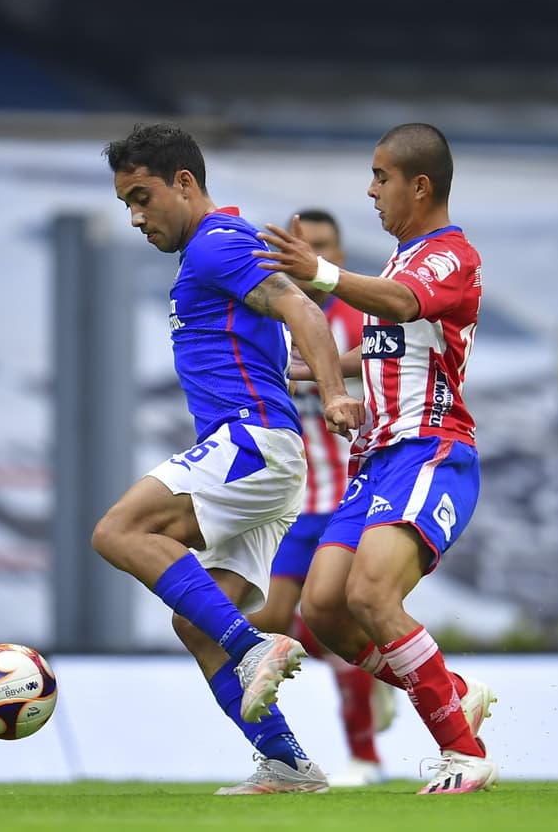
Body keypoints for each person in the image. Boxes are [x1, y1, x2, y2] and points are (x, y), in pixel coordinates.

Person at [93, 123, 366, 795]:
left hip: (250, 446)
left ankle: (256, 647)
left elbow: (302, 307)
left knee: (119, 532)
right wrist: (300, 371)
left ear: (184, 182)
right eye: (125, 202)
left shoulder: (218, 241)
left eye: (142, 196)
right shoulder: (210, 256)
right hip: (264, 457)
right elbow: (271, 336)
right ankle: (287, 762)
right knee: (196, 622)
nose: (135, 216)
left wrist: (334, 393)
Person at [253, 122, 500, 795]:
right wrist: (318, 368)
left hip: (431, 449)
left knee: (370, 592)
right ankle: (450, 689)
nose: (371, 190)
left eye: (381, 177)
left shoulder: (451, 256)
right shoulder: (400, 258)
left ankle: (464, 751)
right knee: (327, 609)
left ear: (420, 186)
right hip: (377, 461)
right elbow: (394, 346)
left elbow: (404, 303)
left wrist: (323, 273)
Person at [243, 208, 397, 788]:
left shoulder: (360, 320)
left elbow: (389, 383)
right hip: (289, 504)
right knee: (274, 623)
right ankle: (369, 664)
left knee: (329, 611)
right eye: (304, 247)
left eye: (325, 247)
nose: (313, 258)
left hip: (345, 496)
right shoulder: (268, 320)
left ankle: (366, 759)